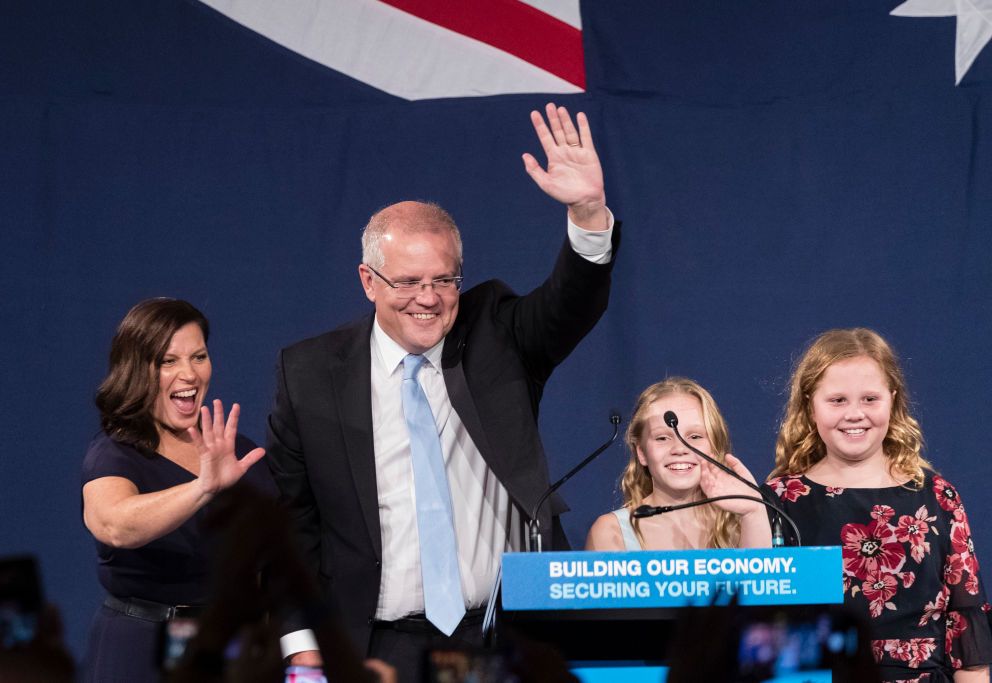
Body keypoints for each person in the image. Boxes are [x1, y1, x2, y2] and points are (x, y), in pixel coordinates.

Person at [268, 102, 618, 681]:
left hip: (504, 635)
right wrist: (304, 651)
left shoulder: (494, 334)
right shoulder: (309, 374)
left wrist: (587, 212)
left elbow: (567, 307)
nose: (427, 298)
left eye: (444, 280)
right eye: (407, 281)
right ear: (368, 281)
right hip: (375, 647)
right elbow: (291, 524)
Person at [766, 328, 992, 682]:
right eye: (837, 400)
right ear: (811, 406)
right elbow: (761, 623)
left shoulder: (936, 497)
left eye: (869, 399)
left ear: (893, 399)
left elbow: (965, 629)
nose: (854, 414)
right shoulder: (781, 499)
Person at [80, 298, 276, 683]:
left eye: (198, 357)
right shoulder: (114, 453)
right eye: (168, 362)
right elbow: (115, 525)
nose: (188, 374)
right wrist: (203, 488)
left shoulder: (236, 452)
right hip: (142, 651)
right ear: (137, 370)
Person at [585, 377, 771, 551]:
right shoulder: (611, 532)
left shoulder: (741, 524)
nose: (680, 448)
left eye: (695, 436)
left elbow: (761, 584)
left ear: (714, 447)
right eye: (662, 438)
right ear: (641, 453)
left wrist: (754, 511)